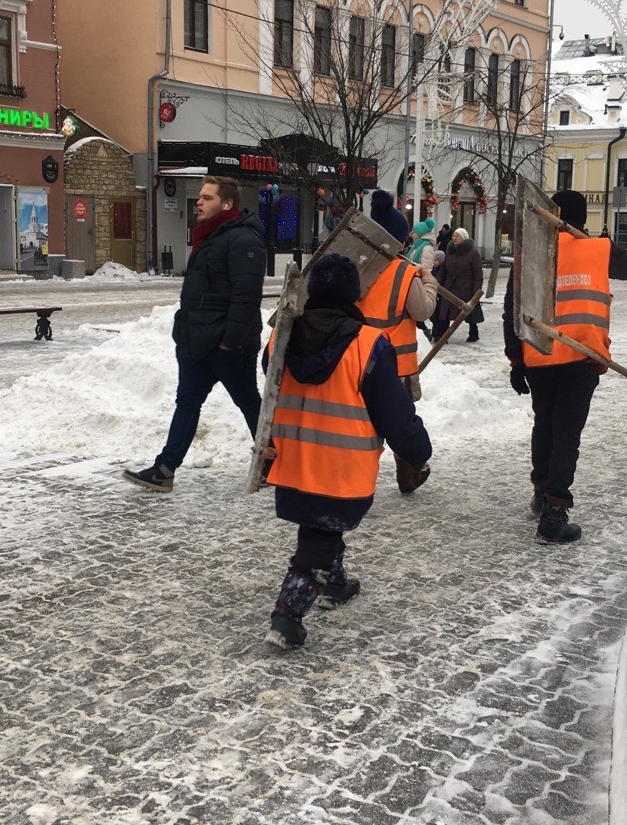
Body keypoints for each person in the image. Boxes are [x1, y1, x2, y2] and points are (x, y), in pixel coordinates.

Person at [262, 254, 431, 649]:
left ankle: (335, 582)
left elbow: (271, 394)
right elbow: (393, 411)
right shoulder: (368, 343)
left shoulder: (280, 339)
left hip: (292, 463)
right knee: (318, 537)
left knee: (321, 524)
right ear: (354, 294)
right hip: (341, 468)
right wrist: (418, 450)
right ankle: (287, 617)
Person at [502, 189, 627, 544]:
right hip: (580, 356)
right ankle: (554, 514)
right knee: (566, 434)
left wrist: (515, 358)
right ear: (583, 217)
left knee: (545, 424)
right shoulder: (598, 248)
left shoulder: (529, 254)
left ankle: (542, 492)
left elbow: (511, 311)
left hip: (538, 355)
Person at [124, 176, 266, 492]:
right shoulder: (209, 237)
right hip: (197, 342)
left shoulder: (243, 240)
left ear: (226, 204)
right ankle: (164, 470)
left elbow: (246, 297)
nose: (198, 202)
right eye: (199, 196)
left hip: (228, 346)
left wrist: (230, 341)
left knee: (248, 403)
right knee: (187, 403)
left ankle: (274, 461)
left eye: (207, 197)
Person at [358, 191, 438, 402]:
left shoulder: (358, 264)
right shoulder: (404, 272)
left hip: (358, 364)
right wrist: (429, 281)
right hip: (395, 369)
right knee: (399, 430)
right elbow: (423, 311)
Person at [433, 227, 484, 342]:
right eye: (454, 236)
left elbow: (478, 274)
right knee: (444, 311)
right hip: (449, 286)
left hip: (466, 287)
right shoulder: (449, 251)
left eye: (458, 236)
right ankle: (441, 335)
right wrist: (437, 281)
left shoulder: (473, 253)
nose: (454, 238)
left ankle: (473, 332)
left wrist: (476, 291)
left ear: (464, 238)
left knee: (468, 311)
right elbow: (443, 270)